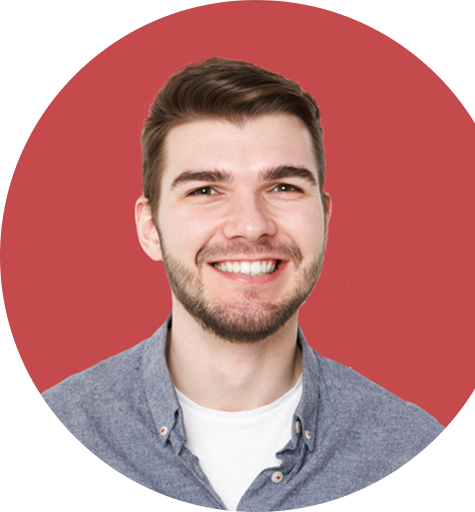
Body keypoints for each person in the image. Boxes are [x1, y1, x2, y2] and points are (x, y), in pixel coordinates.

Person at [42, 57, 444, 510]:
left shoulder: (409, 447)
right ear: (150, 228)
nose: (251, 226)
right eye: (205, 190)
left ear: (324, 218)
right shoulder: (71, 425)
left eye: (284, 187)